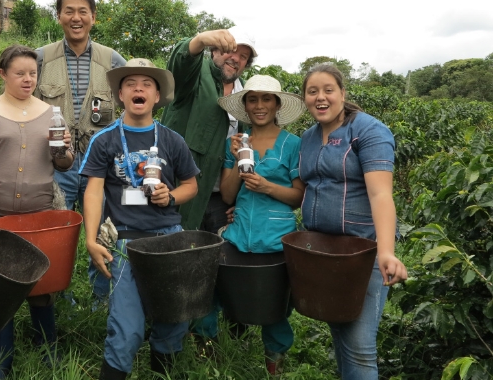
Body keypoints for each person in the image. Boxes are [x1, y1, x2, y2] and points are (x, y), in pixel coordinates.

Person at [80, 58, 200, 379]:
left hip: (169, 240)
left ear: (157, 97)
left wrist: (171, 195)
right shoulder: (104, 140)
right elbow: (93, 192)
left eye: (147, 84)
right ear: (121, 94)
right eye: (131, 83)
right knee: (127, 329)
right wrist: (91, 240)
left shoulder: (172, 140)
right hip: (125, 243)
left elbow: (191, 185)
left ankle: (164, 371)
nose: (139, 88)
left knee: (173, 320)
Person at [0, 45, 74, 379]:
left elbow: (65, 162)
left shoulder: (50, 113)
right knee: (0, 291)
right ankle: (0, 361)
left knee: (42, 287)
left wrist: (64, 149)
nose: (28, 80)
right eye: (19, 73)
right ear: (2, 74)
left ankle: (49, 352)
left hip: (40, 213)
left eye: (33, 73)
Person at [298, 63, 408, 379]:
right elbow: (302, 188)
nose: (321, 97)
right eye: (312, 91)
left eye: (328, 90)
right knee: (341, 334)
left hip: (362, 254)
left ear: (343, 94)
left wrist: (385, 252)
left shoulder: (368, 130)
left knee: (359, 349)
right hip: (324, 251)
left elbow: (380, 196)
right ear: (305, 97)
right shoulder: (307, 137)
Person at [34, 0, 126, 300]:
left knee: (103, 232)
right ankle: (57, 299)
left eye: (82, 11)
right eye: (69, 11)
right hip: (55, 166)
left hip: (100, 167)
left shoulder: (112, 60)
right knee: (55, 235)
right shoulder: (42, 58)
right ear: (59, 16)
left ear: (93, 17)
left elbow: (134, 104)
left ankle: (102, 300)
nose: (76, 18)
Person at [213, 75, 306, 375]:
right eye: (252, 99)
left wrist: (267, 187)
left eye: (266, 99)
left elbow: (297, 197)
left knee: (274, 307)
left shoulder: (293, 144)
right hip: (239, 235)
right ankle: (223, 356)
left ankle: (274, 364)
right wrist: (235, 156)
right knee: (227, 295)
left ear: (277, 104)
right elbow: (227, 194)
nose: (259, 105)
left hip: (277, 239)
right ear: (244, 105)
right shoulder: (239, 142)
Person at [160, 26, 257, 232]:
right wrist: (200, 39)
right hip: (179, 187)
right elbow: (181, 62)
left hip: (220, 199)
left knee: (212, 257)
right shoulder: (196, 73)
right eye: (230, 49)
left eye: (243, 56)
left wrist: (239, 200)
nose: (235, 59)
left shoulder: (246, 92)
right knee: (174, 251)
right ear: (214, 49)